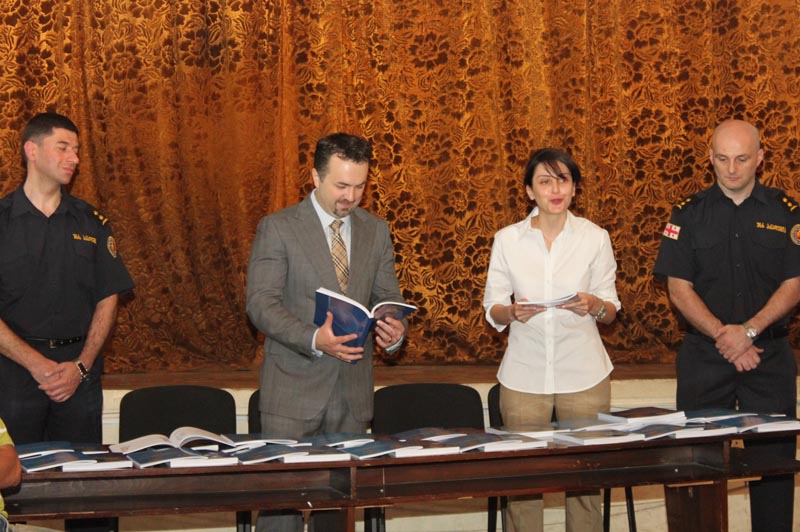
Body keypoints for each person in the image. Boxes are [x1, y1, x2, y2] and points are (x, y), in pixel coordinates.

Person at [246, 132, 408, 532]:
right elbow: (261, 304)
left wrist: (394, 329)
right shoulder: (278, 227)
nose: (350, 197)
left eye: (360, 186)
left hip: (351, 396)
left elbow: (388, 295)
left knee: (338, 517)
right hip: (292, 395)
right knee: (281, 517)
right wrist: (313, 338)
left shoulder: (376, 230)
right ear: (315, 177)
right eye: (341, 185)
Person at [654, 119, 799, 532]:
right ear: (710, 158)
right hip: (705, 357)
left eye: (741, 159)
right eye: (722, 159)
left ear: (760, 158)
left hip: (768, 358)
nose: (731, 169)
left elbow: (795, 283)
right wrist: (726, 336)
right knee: (695, 472)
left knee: (774, 472)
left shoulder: (787, 211)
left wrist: (748, 332)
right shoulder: (687, 213)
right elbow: (678, 288)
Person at [0, 113, 135, 532]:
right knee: (10, 492)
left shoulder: (91, 221)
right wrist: (37, 365)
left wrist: (80, 366)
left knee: (89, 496)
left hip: (80, 374)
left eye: (76, 149)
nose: (74, 158)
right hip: (13, 375)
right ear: (32, 150)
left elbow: (108, 297)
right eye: (63, 147)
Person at [483, 147, 621, 532]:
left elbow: (611, 310)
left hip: (585, 372)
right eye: (545, 181)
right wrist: (512, 313)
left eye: (563, 180)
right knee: (525, 484)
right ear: (530, 191)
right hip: (524, 374)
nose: (555, 190)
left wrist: (594, 304)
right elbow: (493, 306)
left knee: (585, 484)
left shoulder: (595, 237)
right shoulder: (507, 239)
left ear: (575, 188)